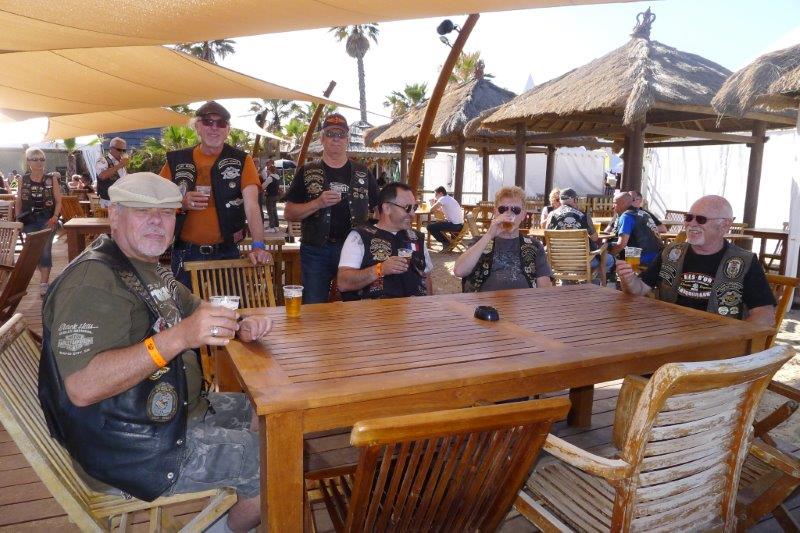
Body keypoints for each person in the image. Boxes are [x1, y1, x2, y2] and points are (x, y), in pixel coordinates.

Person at [39, 173, 272, 533]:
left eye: (165, 213)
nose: (156, 222)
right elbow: (82, 387)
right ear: (114, 215)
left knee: (268, 412)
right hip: (128, 448)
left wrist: (239, 323)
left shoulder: (144, 266)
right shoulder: (93, 282)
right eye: (141, 211)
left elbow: (195, 307)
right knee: (274, 461)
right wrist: (178, 338)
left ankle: (251, 507)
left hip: (169, 414)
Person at [617, 195, 776, 326]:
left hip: (716, 339)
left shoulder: (744, 262)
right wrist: (629, 280)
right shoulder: (672, 253)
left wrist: (731, 340)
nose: (691, 224)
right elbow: (639, 289)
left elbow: (765, 315)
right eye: (689, 217)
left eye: (701, 219)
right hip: (670, 333)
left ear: (724, 225)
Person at [159, 101, 270, 288]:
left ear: (228, 130)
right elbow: (157, 202)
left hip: (226, 251)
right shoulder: (176, 159)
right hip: (186, 251)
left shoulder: (242, 160)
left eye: (221, 123)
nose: (214, 128)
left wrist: (258, 246)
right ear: (197, 127)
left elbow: (252, 206)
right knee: (185, 305)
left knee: (229, 305)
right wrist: (180, 203)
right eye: (208, 122)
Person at [284, 113, 379, 303]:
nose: (336, 138)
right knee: (314, 304)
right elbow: (289, 213)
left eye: (341, 134)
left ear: (347, 139)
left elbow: (380, 209)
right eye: (330, 133)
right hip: (315, 250)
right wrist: (317, 203)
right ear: (322, 139)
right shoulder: (306, 171)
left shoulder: (363, 172)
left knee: (355, 305)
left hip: (354, 248)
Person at [337, 182, 433, 300]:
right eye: (407, 208)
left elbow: (426, 276)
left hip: (414, 309)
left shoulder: (417, 238)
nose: (412, 214)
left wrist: (429, 304)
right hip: (374, 310)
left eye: (414, 208)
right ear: (387, 208)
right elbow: (343, 283)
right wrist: (380, 269)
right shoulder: (359, 237)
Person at [455, 186, 552, 292]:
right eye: (503, 209)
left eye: (515, 210)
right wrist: (489, 235)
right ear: (495, 212)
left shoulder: (534, 246)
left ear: (523, 215)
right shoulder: (480, 241)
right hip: (484, 301)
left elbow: (544, 289)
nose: (509, 214)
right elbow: (459, 271)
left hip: (522, 301)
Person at [14, 148, 61, 296]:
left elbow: (59, 201)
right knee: (35, 251)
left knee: (45, 249)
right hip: (29, 220)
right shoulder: (23, 179)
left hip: (48, 218)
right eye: (35, 159)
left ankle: (44, 283)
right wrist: (18, 218)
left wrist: (55, 217)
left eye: (42, 159)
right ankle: (43, 274)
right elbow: (19, 200)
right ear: (28, 161)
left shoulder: (51, 178)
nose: (39, 162)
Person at [548, 187, 615, 275]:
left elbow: (547, 235)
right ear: (575, 200)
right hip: (583, 263)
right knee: (611, 260)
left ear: (560, 200)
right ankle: (590, 280)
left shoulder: (551, 216)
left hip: (558, 262)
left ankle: (567, 280)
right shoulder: (584, 216)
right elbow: (595, 238)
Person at [608, 192, 662, 267]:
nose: (612, 206)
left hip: (640, 260)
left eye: (615, 203)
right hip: (659, 258)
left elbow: (621, 244)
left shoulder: (626, 216)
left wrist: (608, 256)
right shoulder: (644, 213)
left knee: (607, 254)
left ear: (624, 203)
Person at [96, 137, 129, 207]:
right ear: (111, 148)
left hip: (121, 200)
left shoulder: (121, 162)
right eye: (119, 150)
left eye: (124, 150)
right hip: (108, 201)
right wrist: (120, 165)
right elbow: (102, 176)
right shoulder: (102, 160)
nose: (122, 152)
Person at [261, 159, 281, 232]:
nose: (267, 171)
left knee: (270, 211)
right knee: (274, 211)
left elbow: (263, 186)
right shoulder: (277, 177)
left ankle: (271, 227)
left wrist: (264, 190)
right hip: (275, 196)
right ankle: (276, 226)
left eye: (268, 170)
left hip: (270, 196)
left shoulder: (270, 178)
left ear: (270, 171)